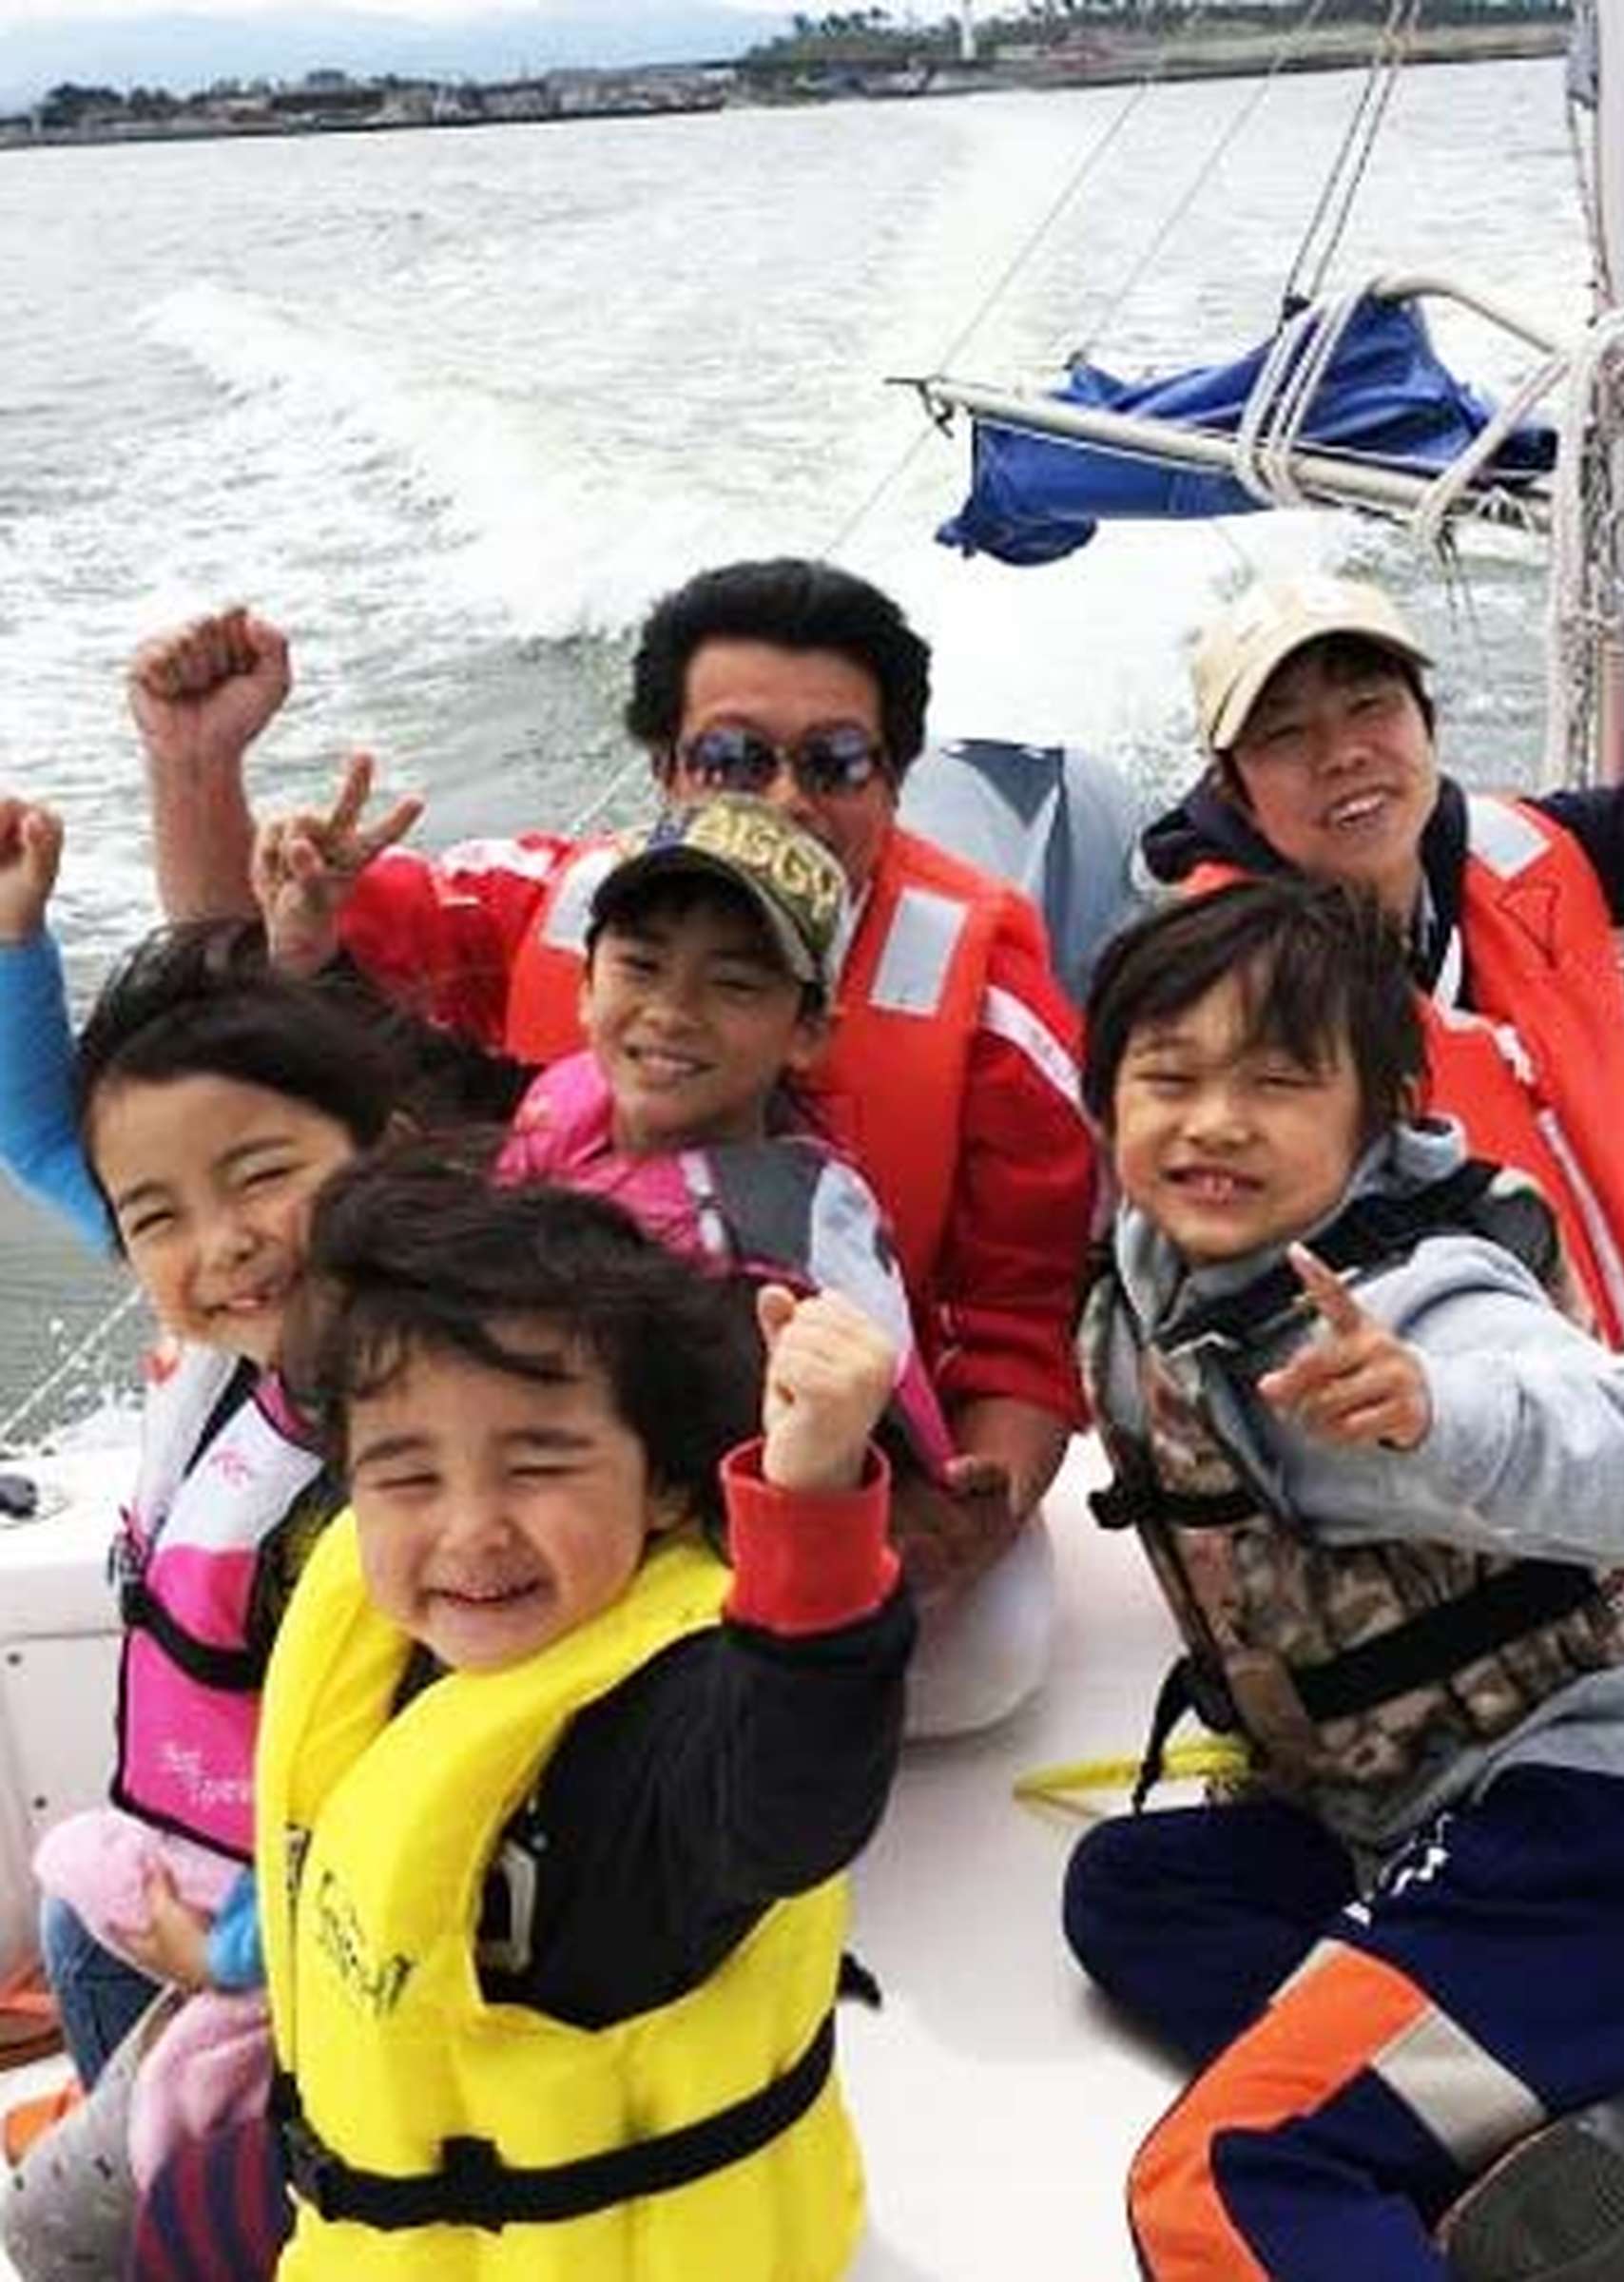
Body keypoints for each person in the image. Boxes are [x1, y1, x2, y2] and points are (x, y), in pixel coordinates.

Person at [129, 565, 1092, 1728]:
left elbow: (1025, 1322)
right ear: (664, 768)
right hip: (532, 1483)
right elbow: (242, 1005)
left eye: (837, 761)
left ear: (894, 776)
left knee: (967, 1666)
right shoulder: (554, 908)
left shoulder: (985, 1007)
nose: (785, 798)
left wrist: (967, 1513)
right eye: (732, 758)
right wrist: (197, 766)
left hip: (781, 1486)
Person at [1060, 878, 1624, 2281]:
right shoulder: (1167, 1279)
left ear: (1378, 1117)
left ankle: (1478, 2104)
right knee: (1133, 1896)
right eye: (1167, 1077)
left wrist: (1445, 1417)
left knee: (1224, 2175)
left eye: (1278, 1082)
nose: (1213, 1120)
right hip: (1428, 1811)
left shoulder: (1424, 1313)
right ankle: (1599, 2112)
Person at [212, 1151, 911, 2279]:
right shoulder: (395, 1645)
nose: (472, 1529)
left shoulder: (676, 1714)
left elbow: (794, 1800)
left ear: (664, 1483)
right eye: (408, 1476)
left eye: (538, 1464)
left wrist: (812, 1498)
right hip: (379, 2219)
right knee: (131, 2206)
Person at [0, 894, 418, 2275]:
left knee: (50, 2233)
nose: (221, 1240)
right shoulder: (237, 1350)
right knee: (76, 1916)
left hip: (310, 1948)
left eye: (262, 1176)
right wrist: (16, 948)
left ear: (383, 1158)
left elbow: (422, 1774)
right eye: (159, 1217)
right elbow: (52, 1139)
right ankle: (152, 2141)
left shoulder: (415, 1451)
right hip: (202, 1866)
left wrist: (237, 1956)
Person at [1133, 549, 1624, 1364]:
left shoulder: (1528, 855)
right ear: (1232, 785)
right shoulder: (1226, 991)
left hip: (1615, 1393)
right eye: (1286, 733)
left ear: (1428, 722)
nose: (1343, 752)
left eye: (1370, 705)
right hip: (1437, 1418)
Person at [473, 791, 958, 1488]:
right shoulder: (570, 1091)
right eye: (641, 966)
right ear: (585, 985)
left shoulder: (769, 1281)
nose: (671, 1012)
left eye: (733, 984)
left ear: (809, 1033)